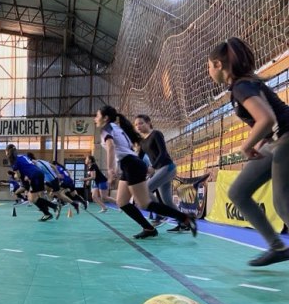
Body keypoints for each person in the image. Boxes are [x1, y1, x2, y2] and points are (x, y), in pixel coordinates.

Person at [208, 37, 289, 266]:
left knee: (283, 203)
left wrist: (246, 146)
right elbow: (267, 127)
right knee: (239, 191)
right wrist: (259, 146)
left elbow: (266, 119)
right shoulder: (240, 88)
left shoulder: (242, 86)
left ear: (218, 65)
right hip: (277, 141)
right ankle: (277, 247)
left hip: (286, 138)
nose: (209, 72)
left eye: (209, 66)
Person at [94, 105, 197, 239]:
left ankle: (184, 218)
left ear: (105, 118)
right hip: (130, 164)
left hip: (132, 165)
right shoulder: (118, 128)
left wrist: (110, 170)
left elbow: (111, 146)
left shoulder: (106, 129)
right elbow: (128, 150)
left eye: (97, 115)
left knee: (144, 203)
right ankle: (148, 228)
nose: (95, 118)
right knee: (122, 202)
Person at [134, 115, 188, 232]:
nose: (138, 126)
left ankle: (160, 213)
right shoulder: (142, 142)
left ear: (148, 123)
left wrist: (152, 167)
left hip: (167, 167)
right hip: (159, 171)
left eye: (141, 123)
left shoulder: (156, 134)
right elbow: (139, 158)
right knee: (167, 201)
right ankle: (184, 222)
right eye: (136, 124)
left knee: (145, 189)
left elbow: (163, 153)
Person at [6, 144, 60, 221]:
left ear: (7, 152)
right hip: (40, 173)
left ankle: (54, 207)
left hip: (35, 176)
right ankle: (47, 213)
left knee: (31, 198)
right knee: (36, 196)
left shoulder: (14, 162)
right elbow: (32, 164)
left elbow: (18, 176)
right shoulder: (23, 156)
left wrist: (14, 176)